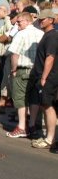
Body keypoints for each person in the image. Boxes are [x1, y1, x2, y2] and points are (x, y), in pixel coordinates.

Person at [6, 11, 44, 139]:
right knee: (34, 98)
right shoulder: (41, 33)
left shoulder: (21, 34)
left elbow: (14, 54)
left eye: (19, 21)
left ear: (28, 21)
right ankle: (32, 125)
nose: (17, 24)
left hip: (23, 70)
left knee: (20, 98)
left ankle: (22, 126)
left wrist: (13, 70)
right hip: (37, 71)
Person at [28, 9, 58, 150]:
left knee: (48, 106)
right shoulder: (47, 35)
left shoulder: (52, 36)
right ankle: (50, 137)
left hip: (49, 77)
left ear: (51, 20)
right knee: (47, 106)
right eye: (39, 19)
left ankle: (50, 139)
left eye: (43, 19)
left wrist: (44, 77)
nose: (40, 21)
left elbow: (50, 57)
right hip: (45, 76)